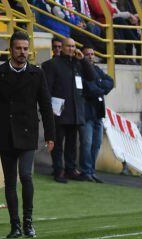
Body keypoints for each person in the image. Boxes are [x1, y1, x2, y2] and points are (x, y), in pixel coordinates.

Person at [0, 31, 55, 238]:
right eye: (18, 48)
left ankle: (28, 223)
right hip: (5, 132)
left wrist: (50, 135)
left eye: (25, 49)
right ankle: (15, 226)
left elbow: (46, 106)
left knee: (26, 176)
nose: (22, 52)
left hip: (28, 132)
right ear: (10, 50)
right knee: (10, 181)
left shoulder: (37, 74)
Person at [42, 38, 95, 183]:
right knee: (57, 143)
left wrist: (83, 60)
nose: (71, 49)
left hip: (75, 112)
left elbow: (92, 77)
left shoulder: (78, 63)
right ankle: (58, 170)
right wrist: (49, 109)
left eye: (73, 46)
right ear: (61, 48)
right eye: (68, 46)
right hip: (58, 111)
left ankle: (71, 169)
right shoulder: (52, 64)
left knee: (72, 144)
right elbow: (46, 89)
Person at [80, 46, 114, 183]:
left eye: (92, 54)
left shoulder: (98, 69)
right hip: (86, 113)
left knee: (97, 144)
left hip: (98, 113)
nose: (90, 56)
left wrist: (98, 84)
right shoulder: (80, 70)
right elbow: (88, 89)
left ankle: (91, 171)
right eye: (87, 54)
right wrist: (100, 86)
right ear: (81, 55)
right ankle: (85, 171)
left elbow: (110, 82)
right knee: (86, 143)